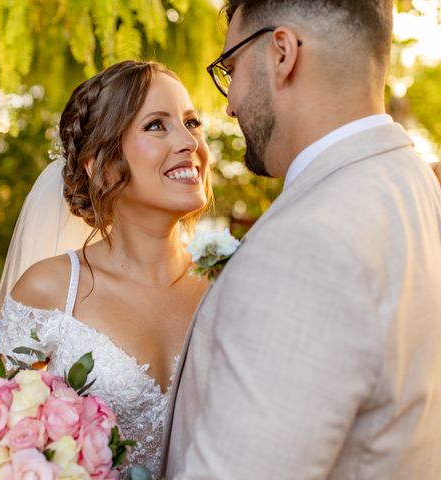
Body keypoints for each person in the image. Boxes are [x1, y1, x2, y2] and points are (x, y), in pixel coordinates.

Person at [161, 1, 441, 478]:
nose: (228, 105)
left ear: (282, 54)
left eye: (231, 68)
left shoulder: (303, 245)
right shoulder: (413, 183)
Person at [0, 60, 213, 474]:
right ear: (100, 165)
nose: (189, 141)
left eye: (191, 122)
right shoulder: (51, 291)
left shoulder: (230, 283)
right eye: (157, 125)